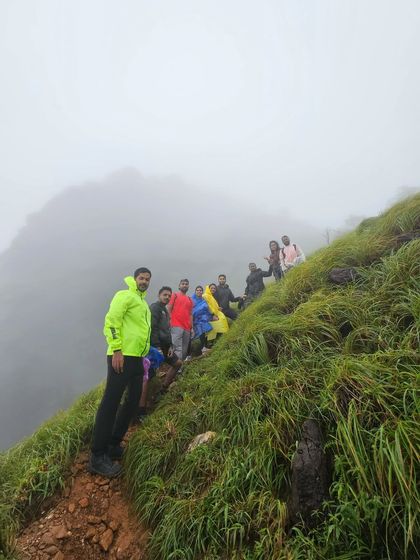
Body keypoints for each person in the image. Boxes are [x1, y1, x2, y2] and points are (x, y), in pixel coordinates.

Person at [88, 267, 152, 478]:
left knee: (132, 402)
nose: (144, 281)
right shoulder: (124, 295)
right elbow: (112, 321)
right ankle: (97, 455)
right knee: (111, 402)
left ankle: (113, 444)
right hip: (121, 356)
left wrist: (143, 357)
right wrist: (116, 349)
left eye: (147, 279)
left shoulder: (143, 303)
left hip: (137, 359)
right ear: (134, 279)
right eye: (141, 278)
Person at [148, 287, 182, 391]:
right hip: (155, 346)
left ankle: (164, 387)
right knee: (150, 374)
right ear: (159, 295)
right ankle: (146, 402)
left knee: (177, 363)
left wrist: (171, 345)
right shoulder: (154, 308)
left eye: (169, 296)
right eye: (165, 295)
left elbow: (167, 330)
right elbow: (152, 328)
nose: (167, 297)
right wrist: (156, 347)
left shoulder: (165, 311)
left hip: (166, 346)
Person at [167, 279, 193, 360]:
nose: (184, 285)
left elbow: (190, 314)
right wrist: (168, 322)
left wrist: (192, 328)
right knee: (176, 348)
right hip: (175, 325)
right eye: (183, 284)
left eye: (186, 284)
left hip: (187, 327)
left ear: (188, 286)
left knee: (184, 349)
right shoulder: (174, 295)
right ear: (179, 286)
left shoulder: (190, 299)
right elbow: (169, 308)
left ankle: (180, 367)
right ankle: (175, 368)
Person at [191, 285, 216, 352]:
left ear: (202, 292)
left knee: (205, 331)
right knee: (201, 332)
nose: (199, 291)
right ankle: (203, 348)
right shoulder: (191, 300)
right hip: (195, 320)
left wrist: (212, 315)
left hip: (203, 318)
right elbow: (191, 310)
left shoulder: (203, 300)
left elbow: (207, 309)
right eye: (197, 290)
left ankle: (205, 347)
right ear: (195, 291)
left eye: (200, 290)